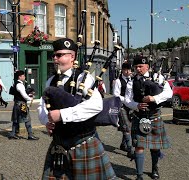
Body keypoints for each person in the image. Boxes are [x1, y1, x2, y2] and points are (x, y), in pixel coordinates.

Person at [37, 38, 116, 179]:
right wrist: (46, 120)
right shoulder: (51, 80)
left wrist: (62, 115)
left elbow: (96, 105)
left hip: (82, 144)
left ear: (72, 57)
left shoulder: (83, 78)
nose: (55, 58)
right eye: (54, 55)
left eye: (59, 55)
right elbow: (42, 106)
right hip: (59, 145)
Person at [124, 56, 172, 180]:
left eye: (140, 66)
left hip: (154, 116)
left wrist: (154, 98)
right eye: (136, 67)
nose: (138, 69)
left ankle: (154, 169)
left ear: (147, 67)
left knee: (155, 146)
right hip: (139, 116)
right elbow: (127, 100)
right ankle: (139, 175)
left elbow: (169, 93)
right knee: (139, 146)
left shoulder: (158, 77)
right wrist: (136, 105)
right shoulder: (131, 81)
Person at [8, 70, 39, 140]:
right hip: (21, 104)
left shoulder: (17, 83)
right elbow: (24, 95)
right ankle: (30, 135)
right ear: (19, 77)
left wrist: (29, 95)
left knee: (16, 119)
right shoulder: (19, 85)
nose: (24, 77)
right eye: (23, 76)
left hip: (17, 104)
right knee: (27, 119)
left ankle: (13, 134)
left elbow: (22, 94)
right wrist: (30, 98)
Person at [113, 62, 134, 158]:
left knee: (129, 126)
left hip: (131, 106)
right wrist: (126, 100)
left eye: (129, 69)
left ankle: (123, 144)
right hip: (121, 106)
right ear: (122, 70)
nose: (128, 71)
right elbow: (116, 94)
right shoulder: (118, 81)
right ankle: (130, 149)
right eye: (126, 69)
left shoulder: (132, 80)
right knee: (126, 127)